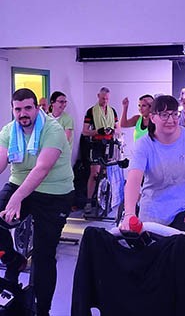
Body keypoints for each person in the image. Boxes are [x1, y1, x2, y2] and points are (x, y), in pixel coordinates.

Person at [120, 95, 185, 302]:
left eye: (174, 114)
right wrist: (129, 213)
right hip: (153, 211)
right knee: (150, 264)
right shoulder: (144, 145)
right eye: (164, 114)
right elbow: (134, 179)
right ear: (152, 117)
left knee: (183, 257)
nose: (171, 120)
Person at [0, 88, 76, 315]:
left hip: (55, 192)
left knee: (44, 255)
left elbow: (42, 168)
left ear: (37, 108)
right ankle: (15, 260)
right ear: (13, 110)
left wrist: (17, 198)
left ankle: (43, 310)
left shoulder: (53, 129)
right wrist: (16, 195)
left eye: (27, 108)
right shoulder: (8, 131)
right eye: (18, 109)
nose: (23, 113)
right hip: (19, 184)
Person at [81, 87, 118, 206]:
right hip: (97, 144)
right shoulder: (91, 111)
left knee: (107, 173)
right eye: (103, 98)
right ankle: (88, 201)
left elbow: (118, 129)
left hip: (109, 144)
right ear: (98, 96)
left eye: (107, 99)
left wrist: (112, 131)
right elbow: (85, 131)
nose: (105, 101)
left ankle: (106, 201)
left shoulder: (113, 111)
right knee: (94, 173)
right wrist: (98, 131)